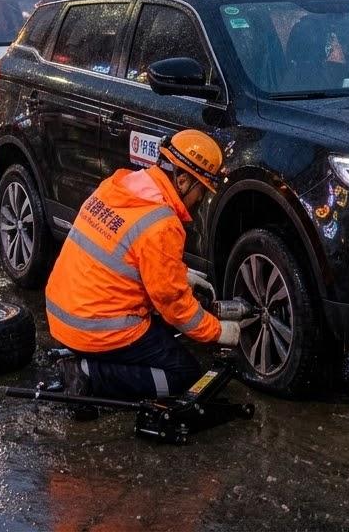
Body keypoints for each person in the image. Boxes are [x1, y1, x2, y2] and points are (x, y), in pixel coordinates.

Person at [45, 129, 239, 406]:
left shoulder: (118, 185)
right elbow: (175, 307)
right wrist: (218, 332)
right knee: (185, 375)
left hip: (63, 315)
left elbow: (128, 254)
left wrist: (180, 275)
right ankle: (89, 375)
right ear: (182, 180)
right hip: (97, 328)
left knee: (164, 333)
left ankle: (86, 358)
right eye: (201, 191)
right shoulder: (162, 224)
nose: (200, 200)